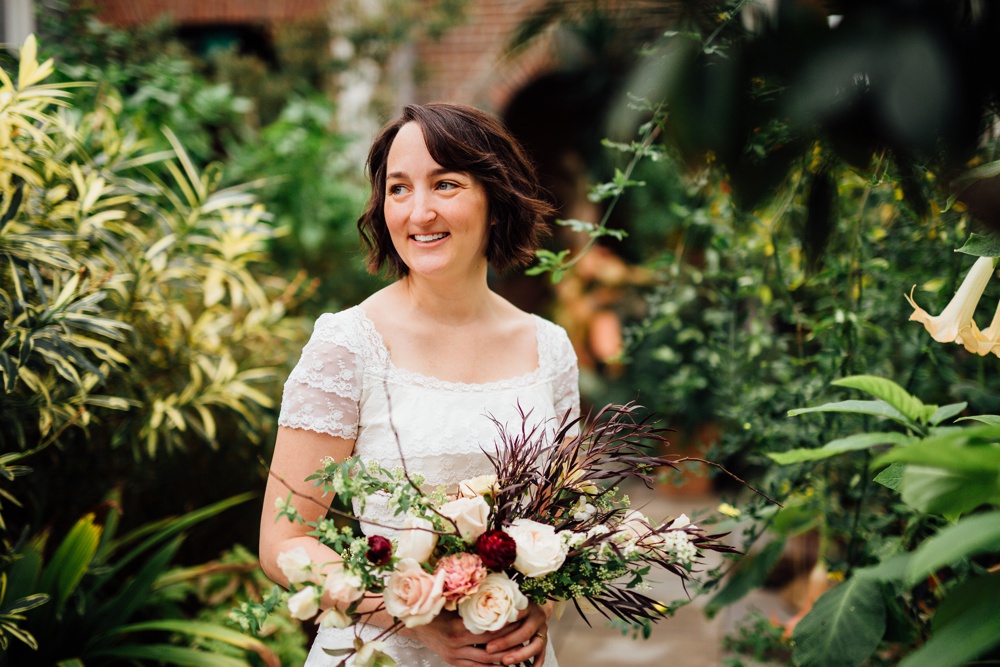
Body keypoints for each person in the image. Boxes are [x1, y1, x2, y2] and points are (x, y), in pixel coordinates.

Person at [259, 103, 581, 667]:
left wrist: (540, 606)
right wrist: (411, 615)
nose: (419, 211)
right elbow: (284, 541)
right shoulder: (347, 346)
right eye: (399, 189)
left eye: (446, 184)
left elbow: (564, 525)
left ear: (495, 200)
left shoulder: (549, 349)